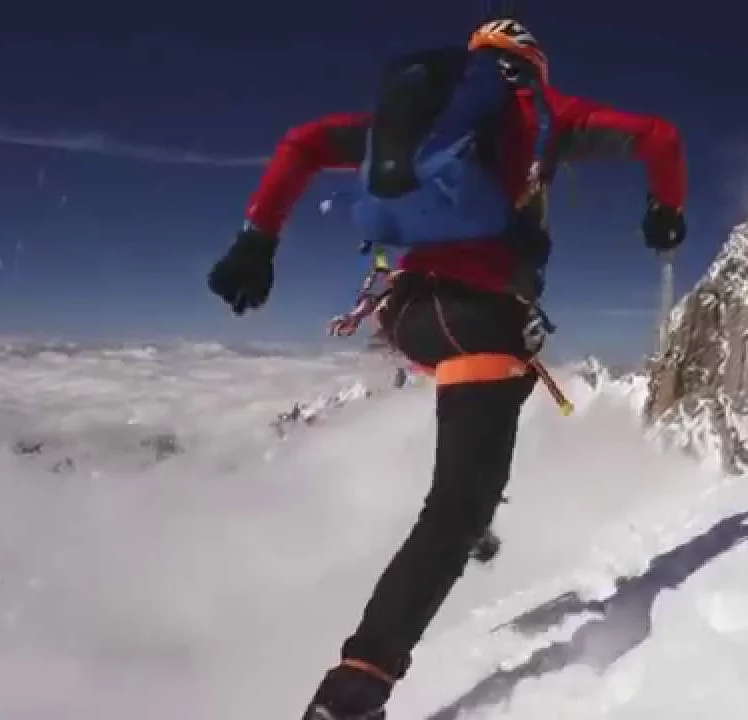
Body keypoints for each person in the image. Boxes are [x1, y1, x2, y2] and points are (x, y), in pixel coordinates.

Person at [206, 17, 686, 720]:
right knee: (454, 506)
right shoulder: (542, 113)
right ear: (533, 67)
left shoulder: (416, 115)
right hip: (479, 319)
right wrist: (664, 210)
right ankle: (353, 693)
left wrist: (257, 239)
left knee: (486, 430)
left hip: (406, 315)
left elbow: (303, 142)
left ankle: (478, 506)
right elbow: (660, 137)